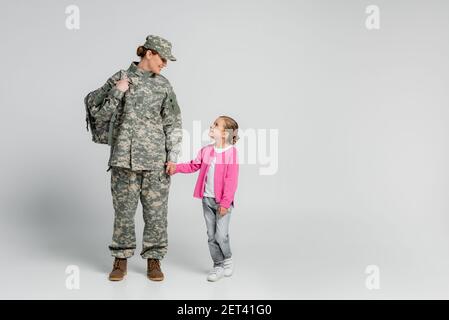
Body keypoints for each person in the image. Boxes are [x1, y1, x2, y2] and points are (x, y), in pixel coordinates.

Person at [86, 35, 182, 282]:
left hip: (155, 161)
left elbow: (173, 123)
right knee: (124, 213)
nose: (165, 64)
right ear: (149, 53)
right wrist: (118, 92)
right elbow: (97, 112)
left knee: (157, 214)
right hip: (123, 160)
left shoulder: (164, 86)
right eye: (162, 58)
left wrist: (173, 156)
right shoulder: (120, 78)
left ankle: (154, 260)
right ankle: (120, 259)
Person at [167, 116, 239, 282]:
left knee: (221, 235)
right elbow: (193, 165)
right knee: (211, 235)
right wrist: (176, 168)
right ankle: (218, 265)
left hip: (222, 202)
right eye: (213, 124)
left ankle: (227, 258)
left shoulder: (231, 153)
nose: (211, 126)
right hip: (207, 200)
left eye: (216, 125)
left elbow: (231, 181)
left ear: (225, 134)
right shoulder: (207, 151)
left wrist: (226, 203)